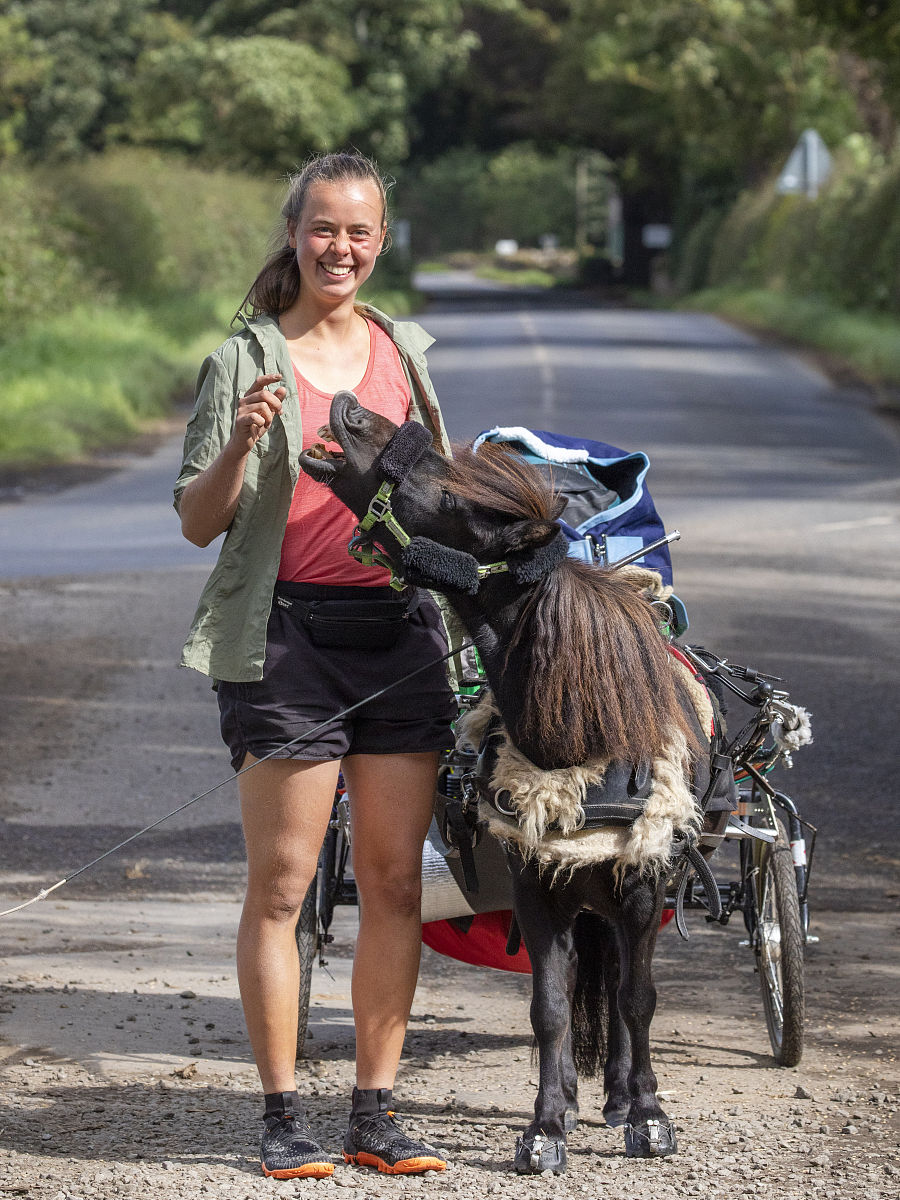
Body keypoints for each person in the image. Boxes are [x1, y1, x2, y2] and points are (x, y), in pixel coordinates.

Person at [174, 151, 458, 1180]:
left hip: (397, 634)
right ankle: (282, 1114)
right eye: (324, 229)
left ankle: (374, 1116)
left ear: (381, 240)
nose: (343, 248)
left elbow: (437, 491)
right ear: (295, 234)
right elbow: (199, 524)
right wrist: (241, 447)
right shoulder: (245, 359)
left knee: (392, 881)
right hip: (284, 639)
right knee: (285, 883)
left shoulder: (400, 349)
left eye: (362, 232)